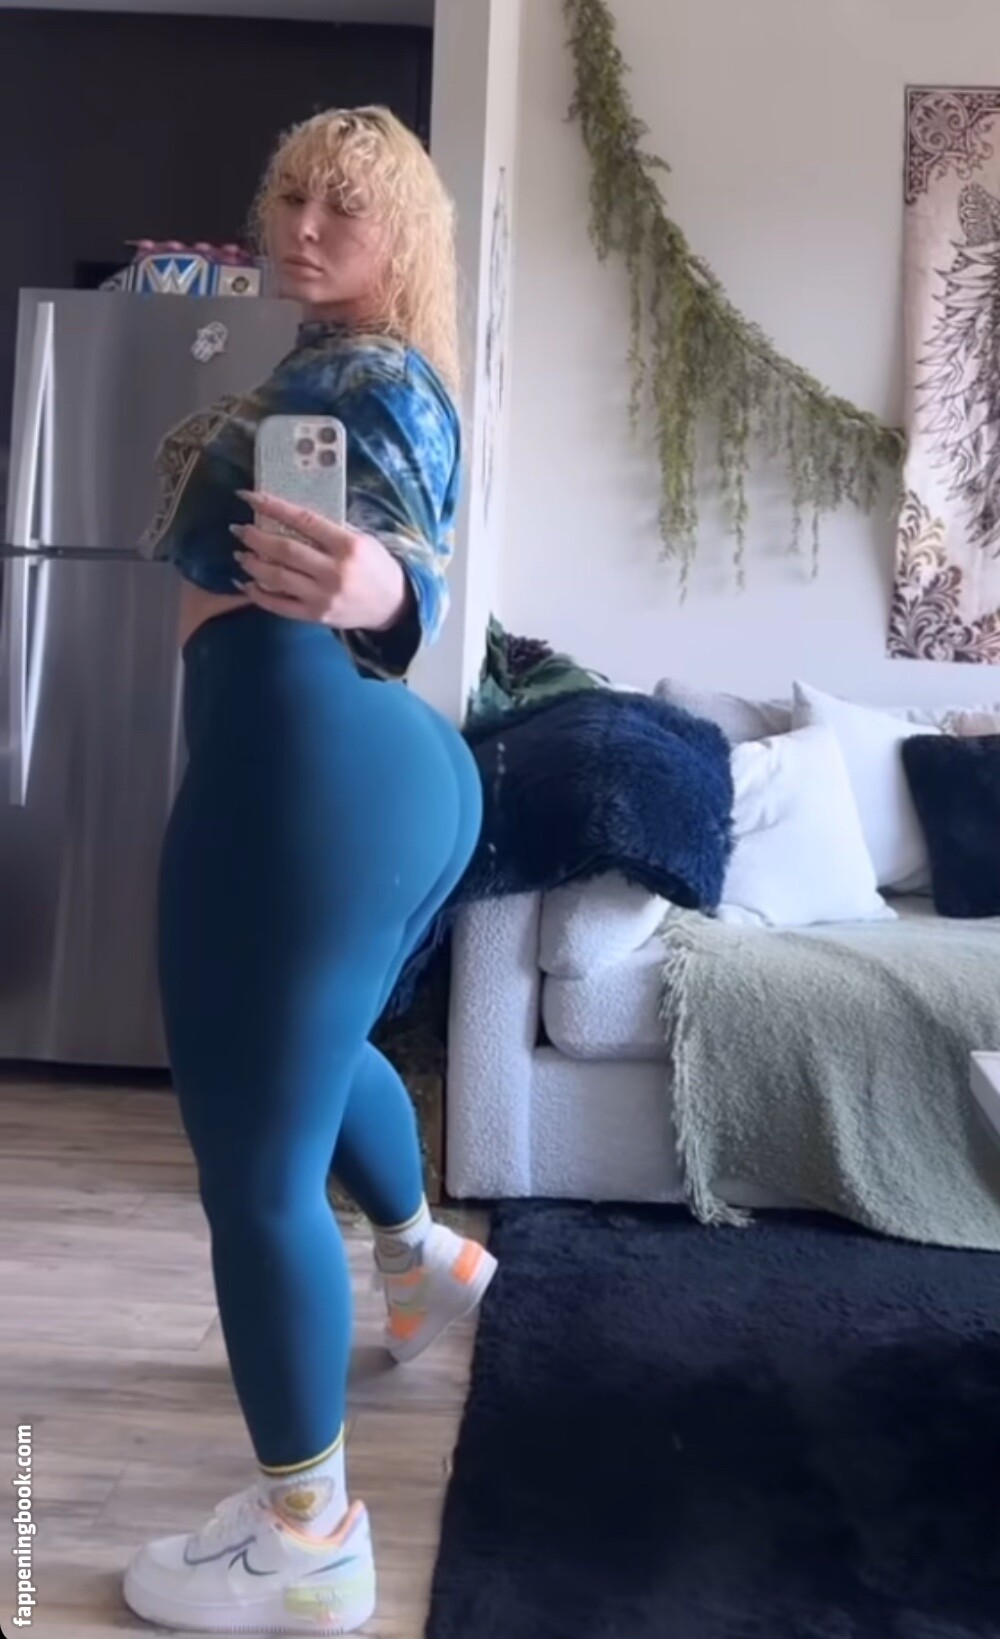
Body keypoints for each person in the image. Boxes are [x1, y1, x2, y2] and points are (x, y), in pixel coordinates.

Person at [121, 107, 496, 1635]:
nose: (303, 226)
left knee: (252, 1172)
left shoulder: (377, 378)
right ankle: (423, 1260)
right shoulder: (321, 368)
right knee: (313, 1062)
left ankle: (311, 1544)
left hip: (302, 766)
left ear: (405, 234)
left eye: (344, 204)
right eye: (289, 198)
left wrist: (381, 584)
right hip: (372, 773)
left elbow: (402, 557)